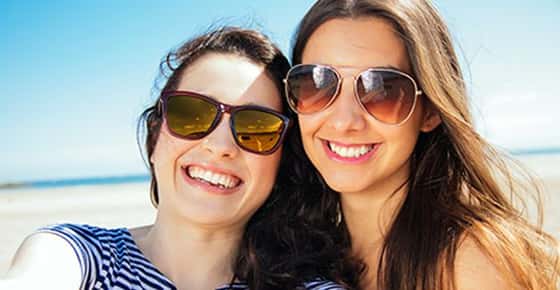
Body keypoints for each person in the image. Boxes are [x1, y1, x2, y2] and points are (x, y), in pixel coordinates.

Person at [1, 27, 349, 290]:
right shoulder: (79, 256)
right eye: (191, 114)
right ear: (155, 137)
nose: (220, 144)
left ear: (281, 162)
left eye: (257, 128)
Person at [284, 1, 560, 289]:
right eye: (316, 85)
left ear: (429, 110)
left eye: (383, 91)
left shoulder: (470, 266)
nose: (344, 121)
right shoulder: (300, 255)